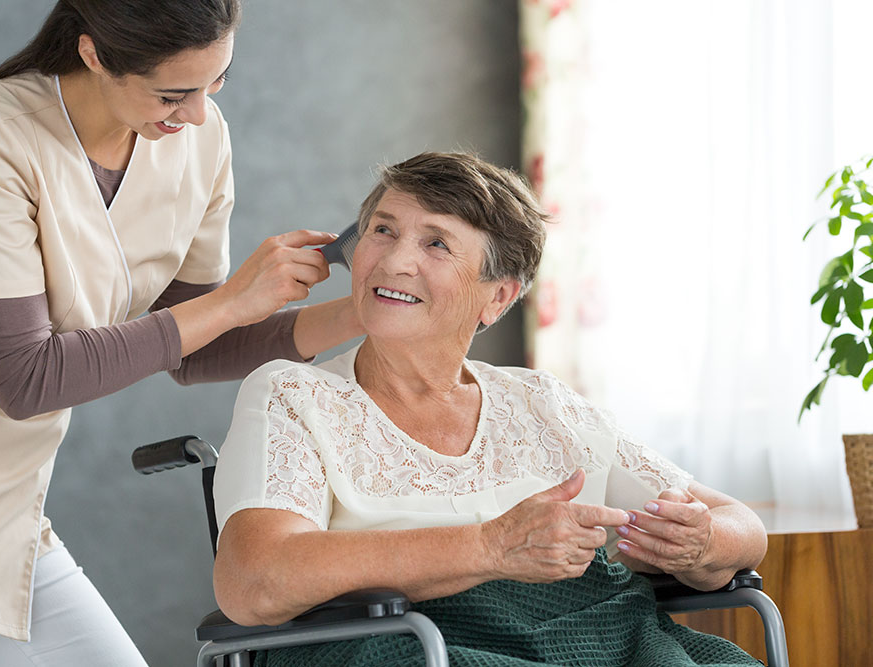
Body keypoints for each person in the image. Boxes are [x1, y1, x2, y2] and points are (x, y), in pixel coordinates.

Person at [0, 1, 362, 664]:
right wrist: (233, 300)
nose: (195, 114)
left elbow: (195, 346)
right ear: (95, 53)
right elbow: (26, 377)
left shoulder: (201, 138)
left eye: (216, 84)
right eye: (173, 93)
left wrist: (362, 313)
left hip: (2, 508)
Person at [211, 152, 769, 666]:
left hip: (601, 636)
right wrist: (490, 547)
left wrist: (701, 544)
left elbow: (741, 525)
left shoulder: (541, 402)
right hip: (407, 646)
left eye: (436, 244)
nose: (394, 260)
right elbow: (253, 582)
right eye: (383, 230)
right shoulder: (293, 396)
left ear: (498, 297)